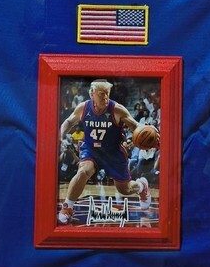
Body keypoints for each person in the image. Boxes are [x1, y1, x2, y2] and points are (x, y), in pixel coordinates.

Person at [57, 79, 158, 224]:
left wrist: (149, 131)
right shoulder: (83, 108)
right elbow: (69, 121)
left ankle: (141, 185)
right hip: (91, 150)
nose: (105, 97)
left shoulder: (117, 109)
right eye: (101, 93)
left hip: (113, 153)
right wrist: (59, 135)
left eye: (107, 93)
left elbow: (136, 126)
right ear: (91, 94)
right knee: (83, 172)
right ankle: (67, 208)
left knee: (125, 190)